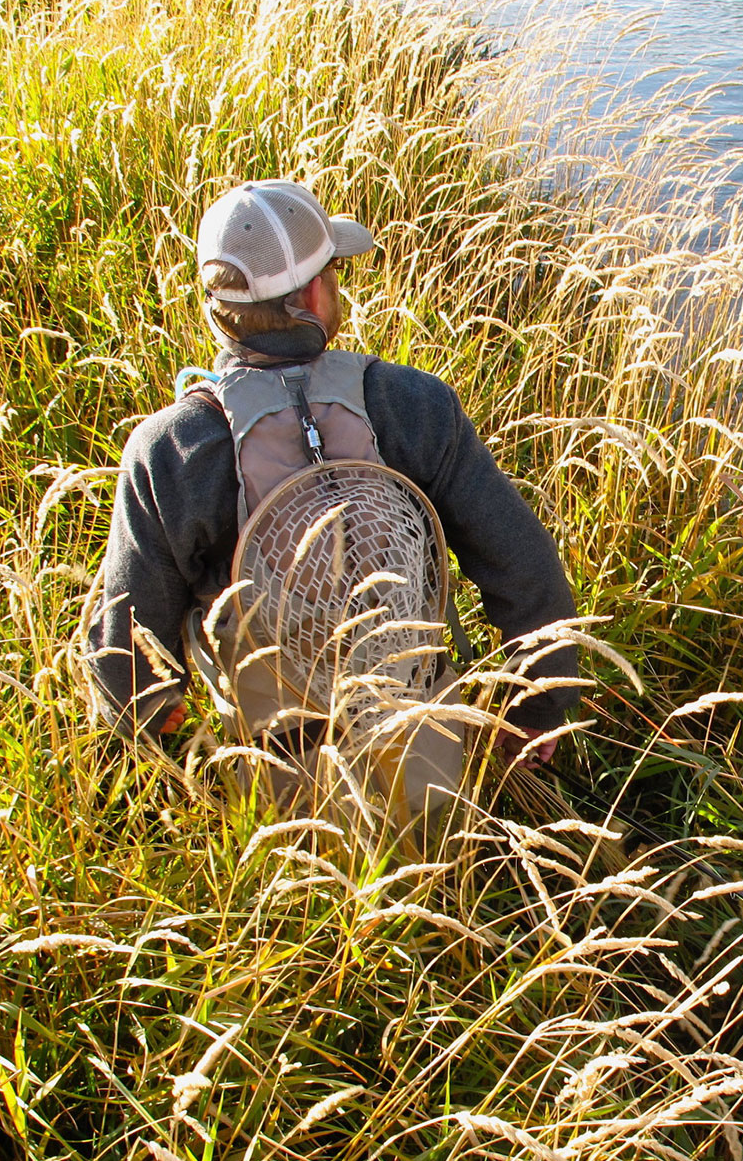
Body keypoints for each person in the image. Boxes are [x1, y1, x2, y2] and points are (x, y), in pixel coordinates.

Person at [85, 179, 577, 797]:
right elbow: (526, 567)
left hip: (279, 789)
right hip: (430, 765)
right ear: (317, 294)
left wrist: (152, 723)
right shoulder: (413, 404)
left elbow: (126, 643)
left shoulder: (168, 450)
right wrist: (536, 709)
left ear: (217, 309)